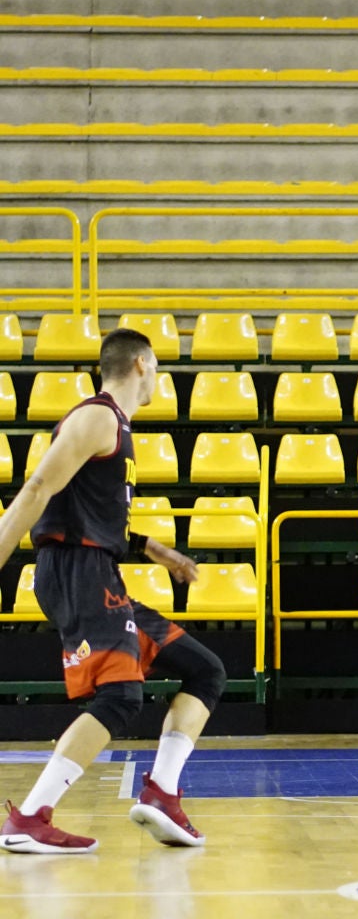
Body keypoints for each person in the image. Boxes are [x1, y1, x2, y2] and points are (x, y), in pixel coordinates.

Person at [0, 329, 227, 853]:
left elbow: (94, 516)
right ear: (143, 364)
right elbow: (38, 490)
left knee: (205, 669)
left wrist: (156, 550)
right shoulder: (98, 418)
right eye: (159, 369)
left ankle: (162, 793)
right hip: (78, 572)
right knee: (121, 696)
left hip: (99, 570)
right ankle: (31, 816)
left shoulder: (116, 429)